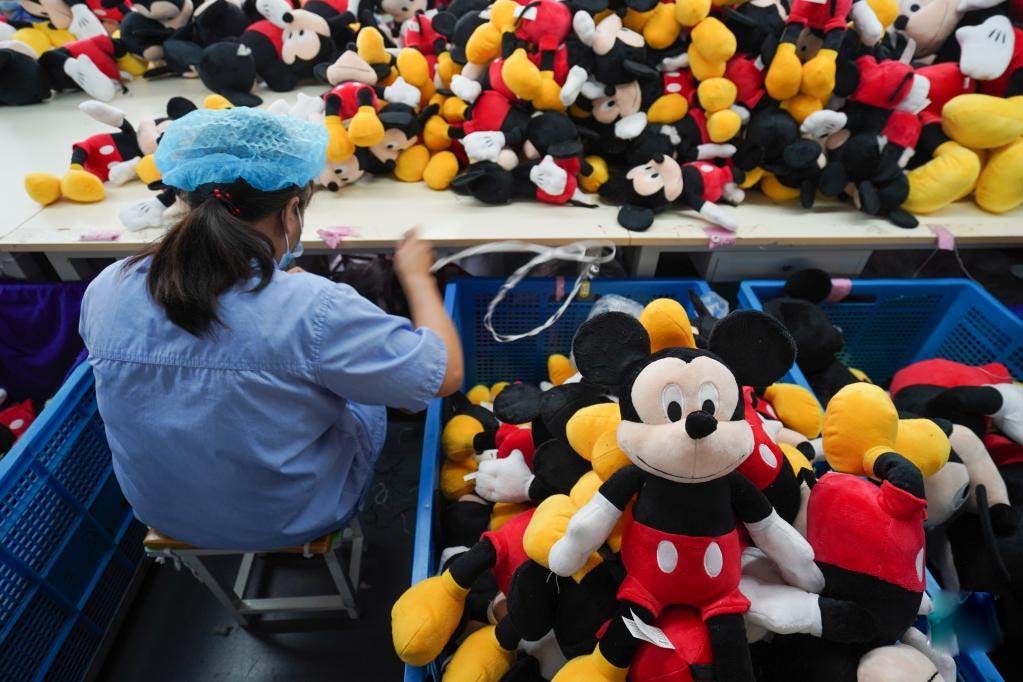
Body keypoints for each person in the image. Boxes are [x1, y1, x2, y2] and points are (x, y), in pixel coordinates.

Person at [79, 107, 463, 550]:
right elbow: (444, 374)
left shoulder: (109, 286)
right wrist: (416, 276)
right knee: (362, 394)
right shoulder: (314, 309)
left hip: (161, 509)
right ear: (291, 211)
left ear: (182, 199)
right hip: (290, 518)